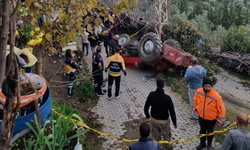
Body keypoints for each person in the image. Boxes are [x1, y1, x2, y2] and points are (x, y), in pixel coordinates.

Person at [144, 78, 177, 150]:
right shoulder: (167, 98)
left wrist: (147, 116)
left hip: (154, 120)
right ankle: (168, 148)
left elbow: (146, 107)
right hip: (164, 122)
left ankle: (155, 148)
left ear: (156, 85)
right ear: (164, 86)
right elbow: (172, 112)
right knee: (167, 138)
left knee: (155, 138)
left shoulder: (151, 95)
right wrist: (175, 123)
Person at [193, 78, 226, 150]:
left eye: (209, 86)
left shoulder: (217, 97)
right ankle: (202, 143)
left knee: (210, 132)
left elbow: (221, 110)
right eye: (206, 86)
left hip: (211, 119)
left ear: (212, 86)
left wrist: (220, 121)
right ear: (203, 86)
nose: (208, 88)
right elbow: (195, 100)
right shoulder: (198, 91)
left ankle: (209, 145)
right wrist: (196, 109)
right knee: (202, 131)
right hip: (201, 117)